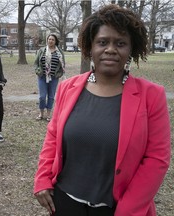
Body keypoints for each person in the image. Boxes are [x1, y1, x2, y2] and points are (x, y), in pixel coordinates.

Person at [34, 4, 171, 216]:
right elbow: (53, 136)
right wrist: (42, 178)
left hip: (118, 209)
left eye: (120, 43)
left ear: (131, 49)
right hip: (64, 204)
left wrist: (126, 210)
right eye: (102, 42)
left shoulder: (151, 96)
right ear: (91, 47)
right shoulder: (67, 88)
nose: (110, 49)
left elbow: (157, 159)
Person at [34, 34, 65, 121]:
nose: (50, 41)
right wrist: (37, 71)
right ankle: (41, 113)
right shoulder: (42, 50)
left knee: (51, 96)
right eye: (49, 39)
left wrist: (58, 74)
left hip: (54, 78)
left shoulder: (59, 52)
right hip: (42, 77)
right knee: (42, 97)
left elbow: (62, 65)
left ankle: (48, 114)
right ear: (47, 40)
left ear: (55, 41)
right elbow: (36, 63)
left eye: (52, 39)